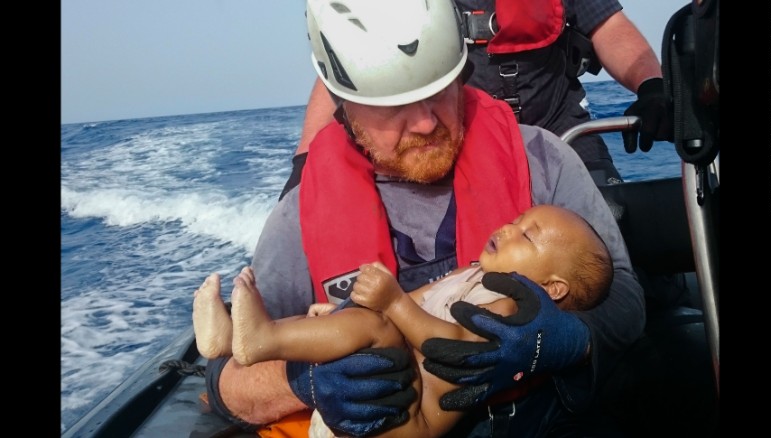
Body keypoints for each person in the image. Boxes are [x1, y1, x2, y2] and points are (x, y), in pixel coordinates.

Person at [204, 0, 645, 436]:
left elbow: (624, 300)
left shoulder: (544, 161)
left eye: (438, 92)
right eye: (393, 106)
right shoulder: (298, 217)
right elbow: (228, 377)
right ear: (344, 105)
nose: (423, 123)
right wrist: (305, 383)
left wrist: (563, 338)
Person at [194, 205, 613, 437]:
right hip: (371, 397)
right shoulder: (471, 275)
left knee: (375, 329)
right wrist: (344, 314)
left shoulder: (511, 311)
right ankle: (238, 338)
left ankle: (260, 336)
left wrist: (393, 304)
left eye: (526, 235)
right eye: (517, 219)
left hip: (409, 421)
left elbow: (453, 347)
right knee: (365, 323)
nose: (506, 227)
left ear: (554, 288)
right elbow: (418, 300)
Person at [279, 0, 672, 199]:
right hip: (463, 140)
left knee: (614, 219)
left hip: (564, 132)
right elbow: (350, 66)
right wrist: (305, 162)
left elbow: (611, 28)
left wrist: (652, 87)